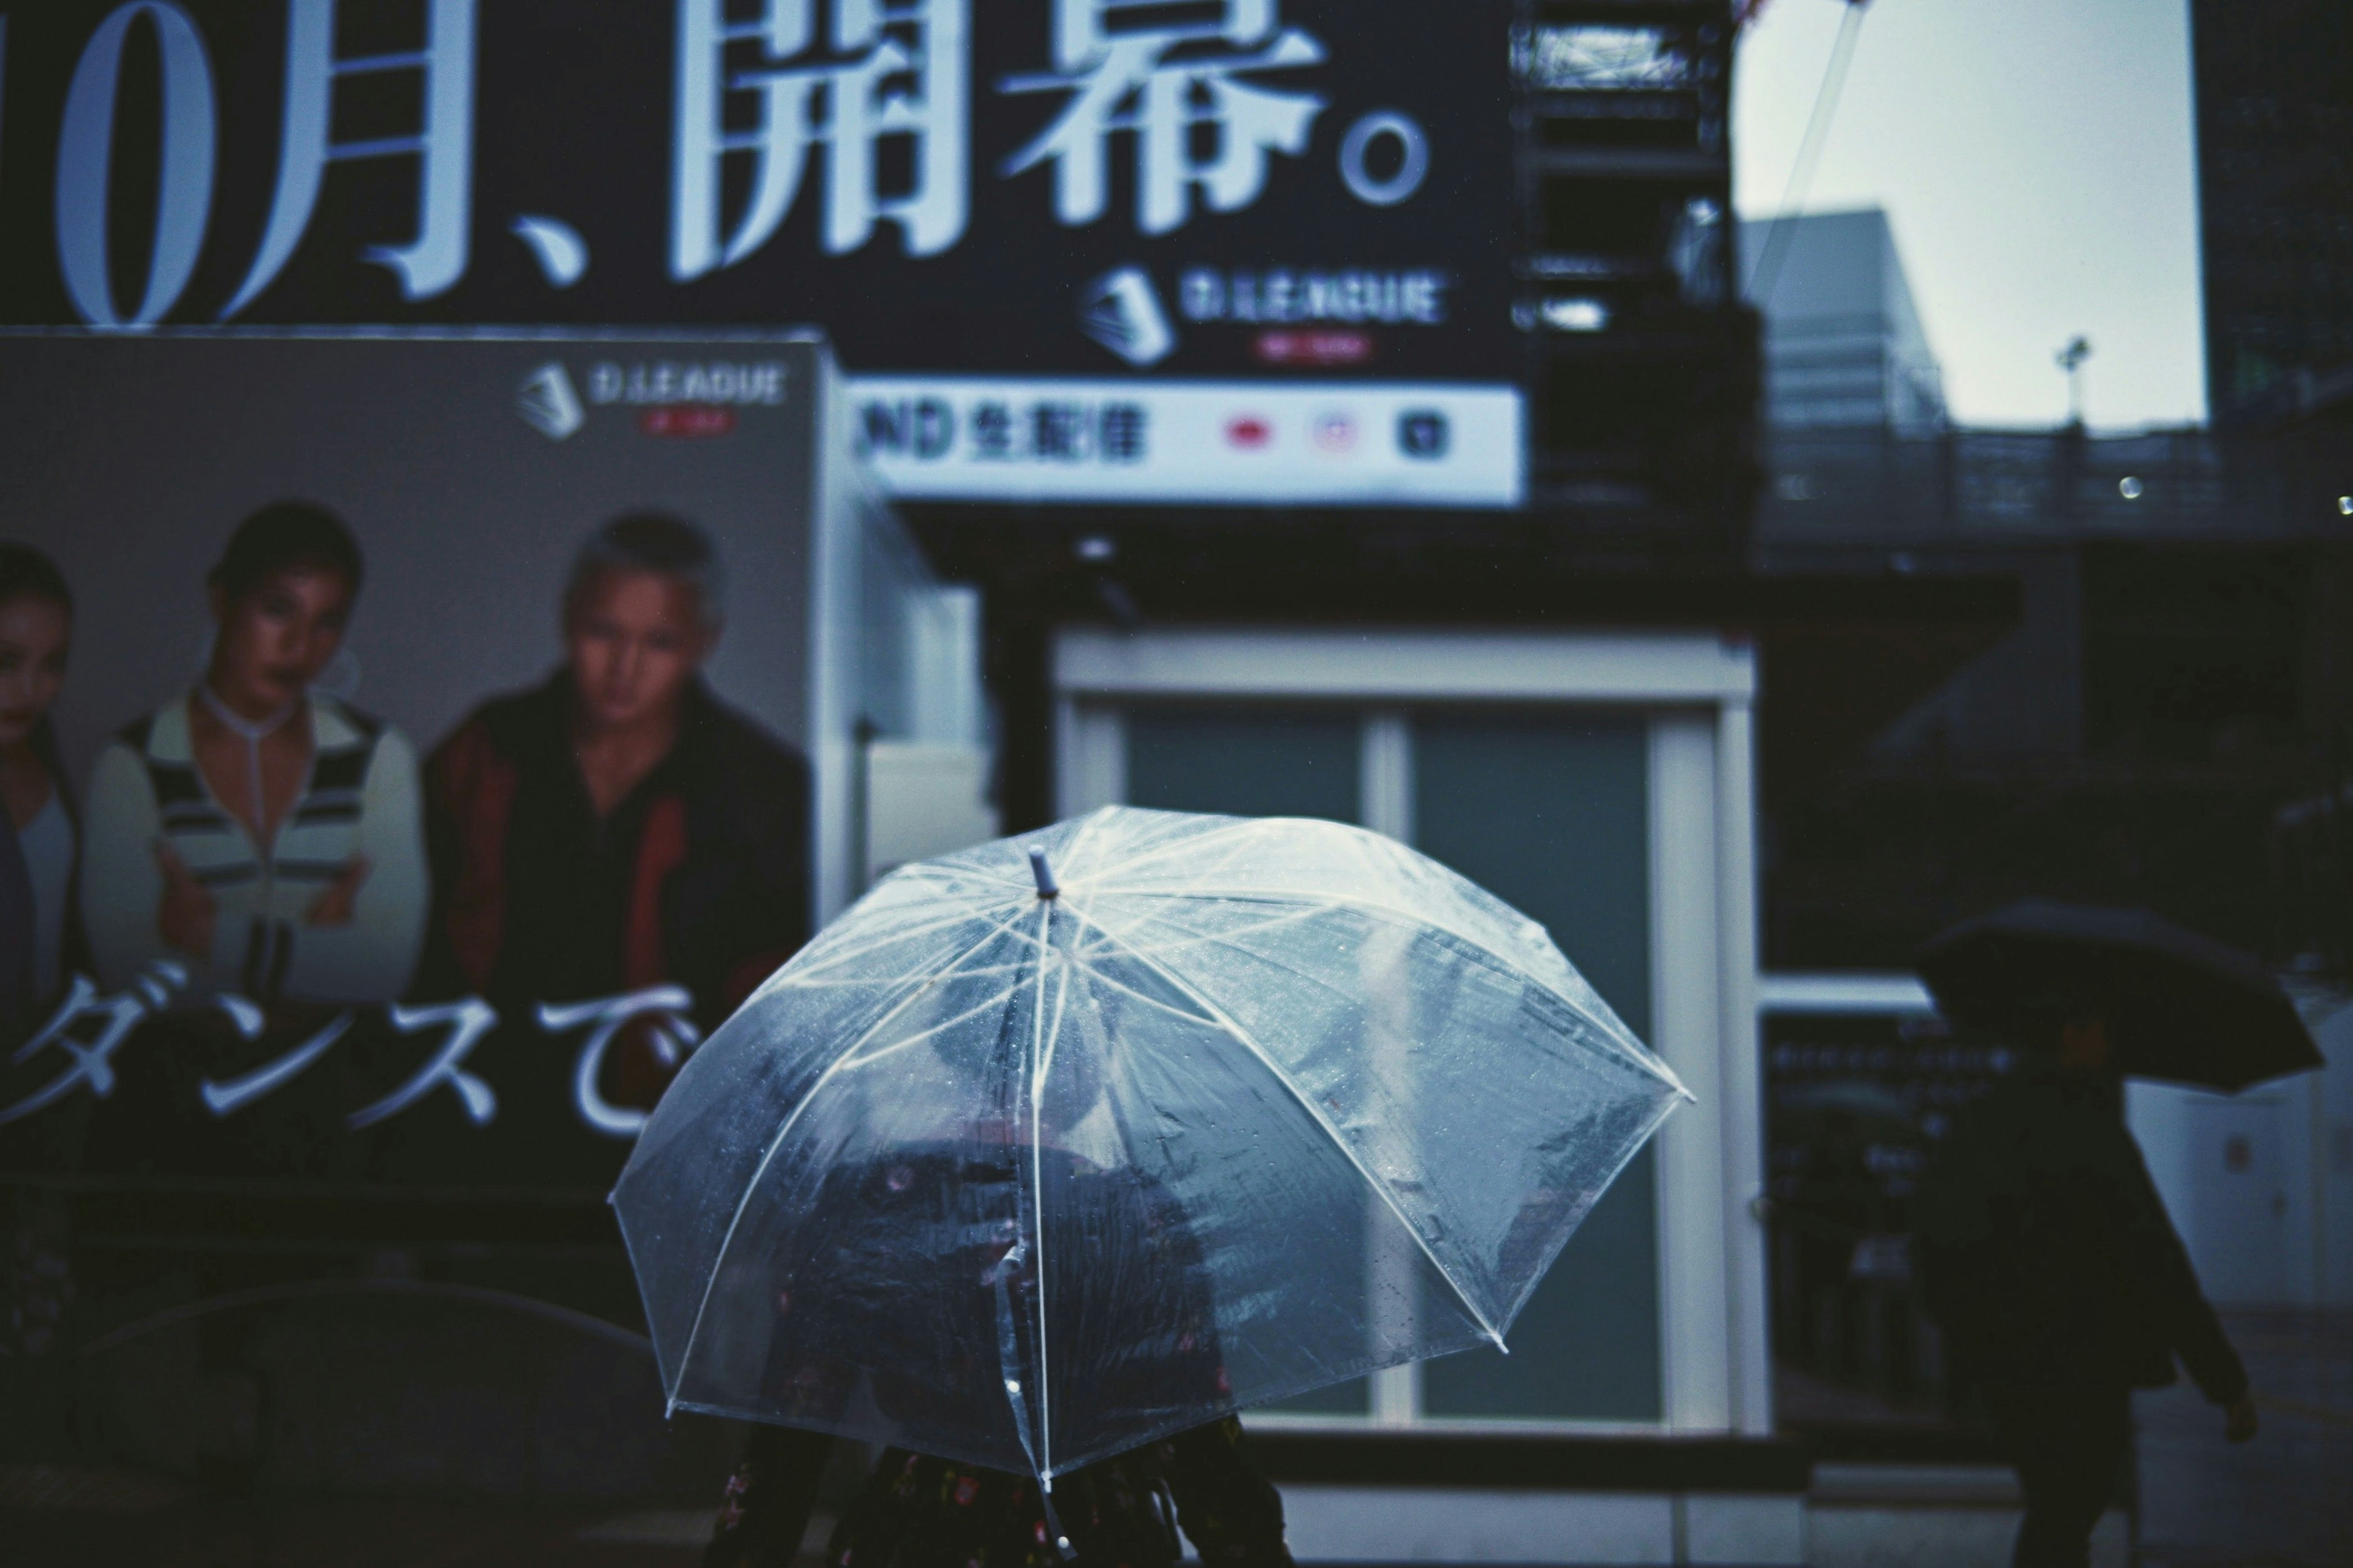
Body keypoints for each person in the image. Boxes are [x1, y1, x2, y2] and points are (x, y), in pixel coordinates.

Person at [418, 513, 808, 1091]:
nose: (625, 668)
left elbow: (773, 998)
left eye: (660, 642)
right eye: (604, 632)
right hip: (482, 1099)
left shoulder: (760, 784)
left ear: (705, 640)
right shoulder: (487, 750)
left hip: (666, 1122)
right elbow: (417, 948)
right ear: (568, 617)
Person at [1915, 1004, 2257, 1568]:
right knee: (2071, 1509)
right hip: (2086, 1359)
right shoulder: (2091, 1128)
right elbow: (2156, 1259)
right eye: (2102, 1030)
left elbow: (1934, 1235)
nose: (2110, 1044)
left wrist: (1969, 1334)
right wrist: (2224, 1381)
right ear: (2073, 1035)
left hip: (2005, 1358)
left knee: (2054, 1507)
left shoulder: (1983, 1122)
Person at [80, 503, 427, 1004]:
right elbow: (129, 976)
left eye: (327, 622)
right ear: (223, 601)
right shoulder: (134, 761)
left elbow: (386, 973)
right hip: (182, 1074)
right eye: (278, 609)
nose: (300, 645)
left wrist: (212, 936)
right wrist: (314, 960)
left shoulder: (377, 756)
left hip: (327, 1072)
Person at [0, 543, 81, 1047]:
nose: (32, 689)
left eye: (52, 663)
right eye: (5, 661)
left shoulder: (40, 738)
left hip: (51, 1036)